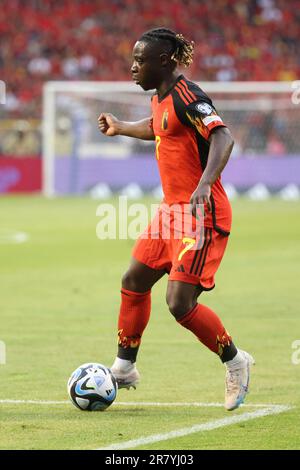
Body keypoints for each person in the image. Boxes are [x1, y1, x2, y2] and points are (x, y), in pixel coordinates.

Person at [98, 27, 254, 411]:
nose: (133, 67)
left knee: (179, 301)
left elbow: (224, 137)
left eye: (140, 60)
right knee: (134, 279)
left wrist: (205, 184)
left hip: (202, 213)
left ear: (164, 61)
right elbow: (158, 128)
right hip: (171, 212)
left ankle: (236, 361)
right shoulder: (161, 100)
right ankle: (124, 367)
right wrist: (120, 127)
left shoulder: (188, 96)